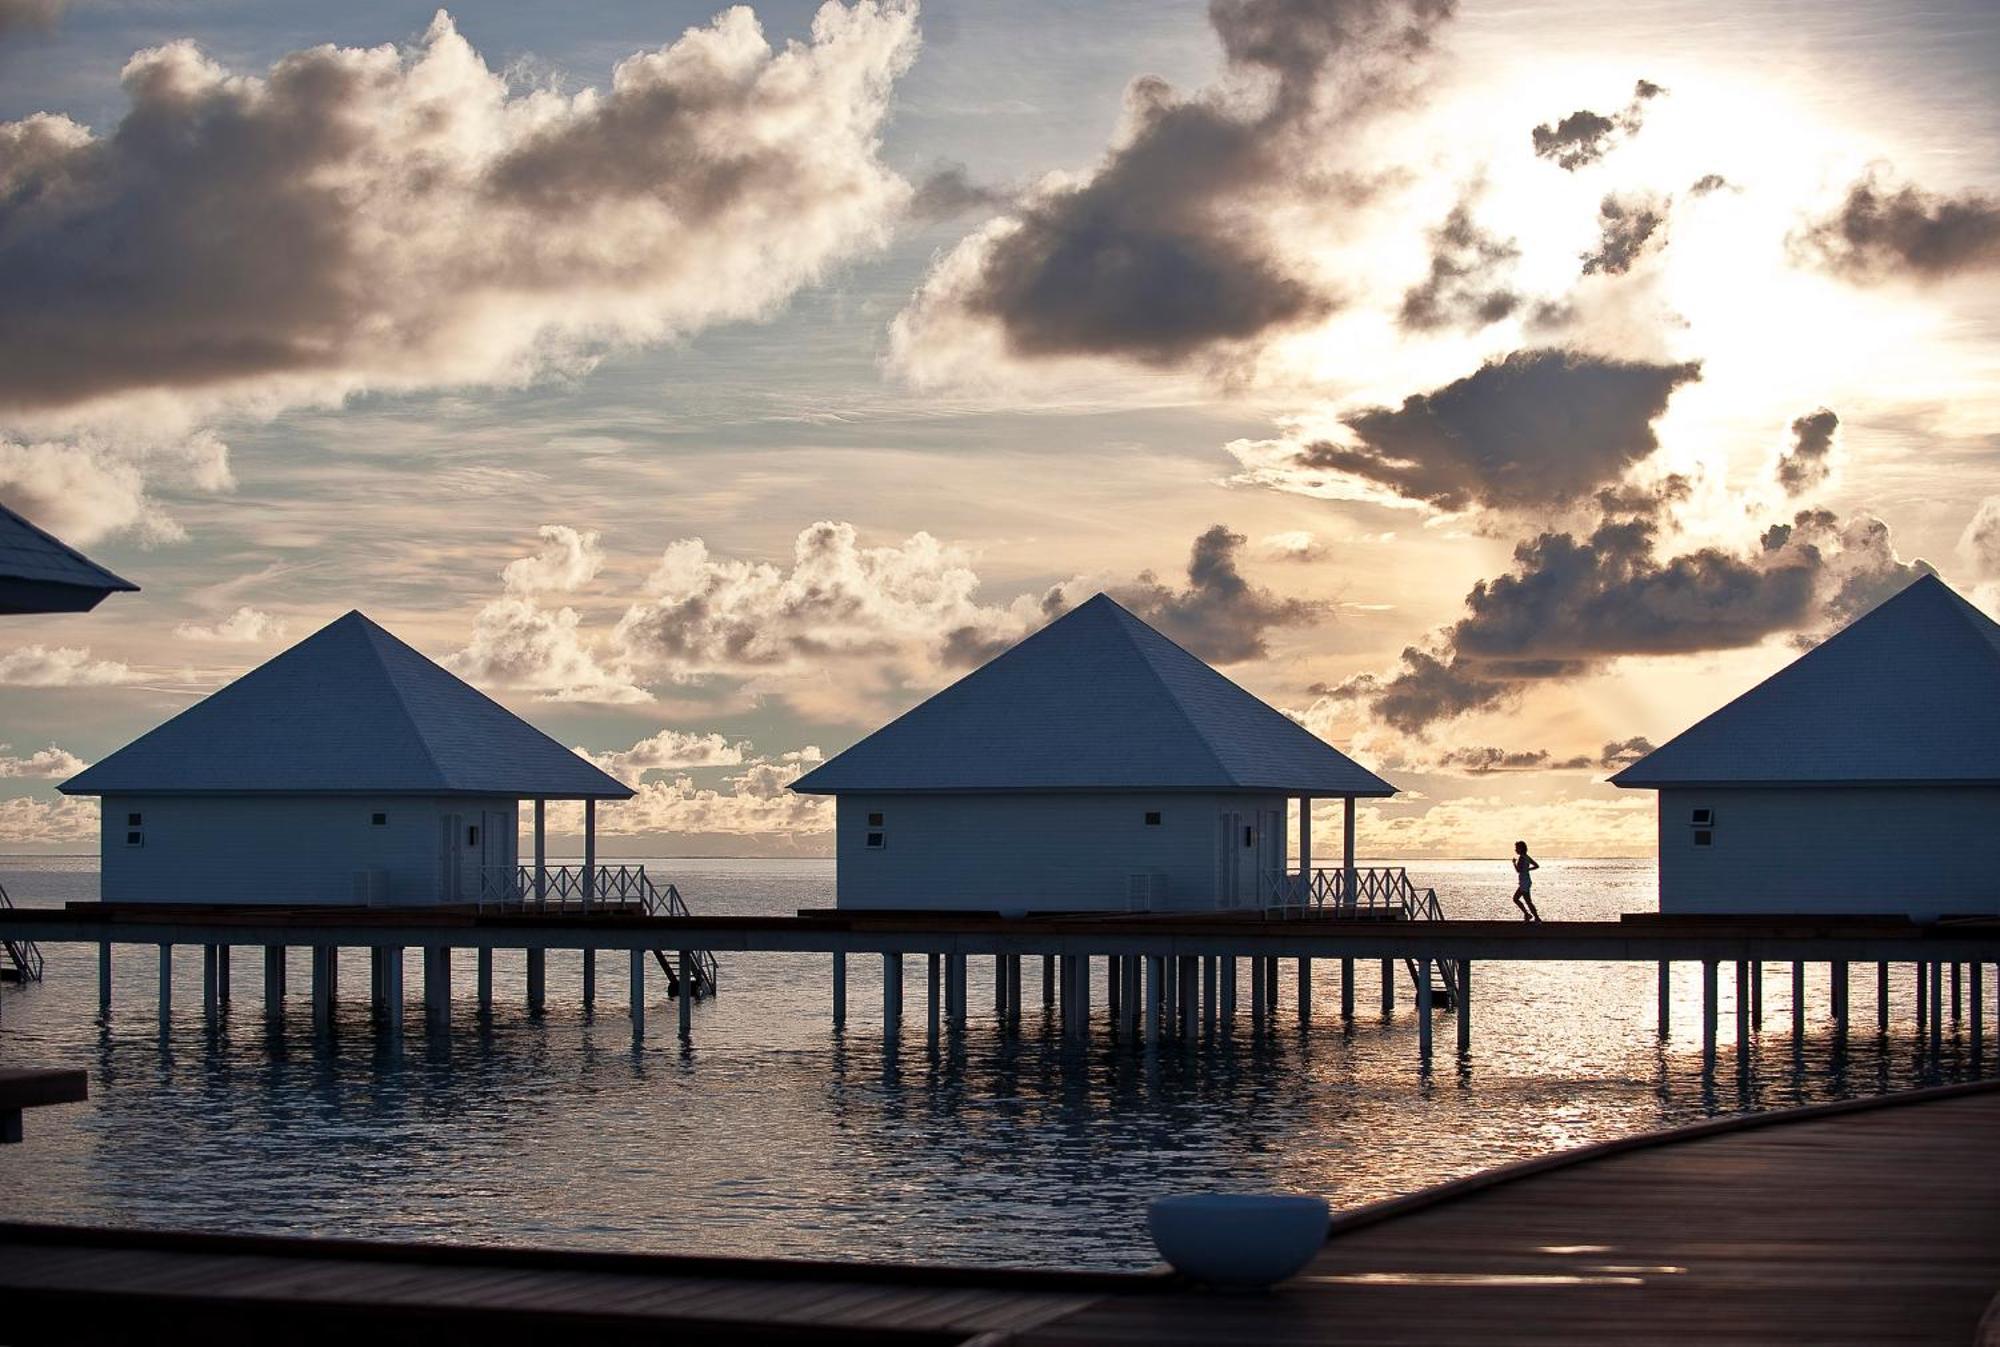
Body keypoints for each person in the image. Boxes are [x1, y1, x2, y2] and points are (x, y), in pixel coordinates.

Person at [1510, 840, 1541, 922]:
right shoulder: (1527, 857)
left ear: (1521, 849)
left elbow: (1518, 870)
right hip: (1526, 881)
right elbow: (1536, 866)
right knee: (1519, 899)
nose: (1515, 850)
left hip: (1524, 882)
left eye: (1517, 848)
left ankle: (1535, 917)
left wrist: (1514, 863)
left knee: (1523, 900)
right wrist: (1527, 869)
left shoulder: (1521, 858)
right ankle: (1529, 915)